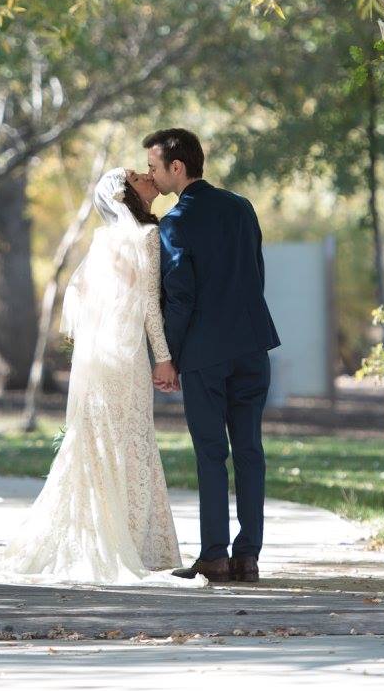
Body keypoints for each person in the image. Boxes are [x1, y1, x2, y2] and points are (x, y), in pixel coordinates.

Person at [0, 168, 205, 587]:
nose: (148, 177)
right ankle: (137, 546)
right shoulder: (146, 238)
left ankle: (112, 537)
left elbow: (80, 295)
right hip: (127, 360)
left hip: (100, 358)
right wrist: (163, 358)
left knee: (101, 443)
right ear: (127, 195)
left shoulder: (103, 240)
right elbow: (148, 308)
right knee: (132, 440)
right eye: (140, 177)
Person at [144, 128, 280, 584]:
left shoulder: (175, 222)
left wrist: (169, 355)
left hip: (205, 352)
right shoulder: (241, 207)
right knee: (250, 451)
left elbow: (180, 295)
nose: (152, 175)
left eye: (154, 166)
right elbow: (256, 273)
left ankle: (214, 557)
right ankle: (248, 558)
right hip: (253, 346)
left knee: (210, 454)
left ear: (176, 167)